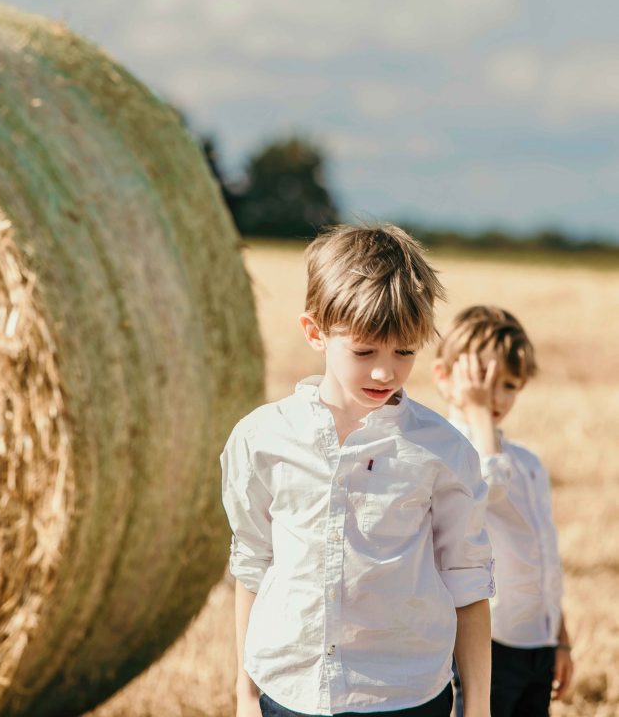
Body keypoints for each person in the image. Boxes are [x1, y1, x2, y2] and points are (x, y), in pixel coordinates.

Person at [221, 224, 494, 717]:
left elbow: (467, 582)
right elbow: (253, 565)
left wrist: (477, 705)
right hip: (289, 693)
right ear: (315, 332)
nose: (385, 372)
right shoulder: (262, 439)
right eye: (365, 351)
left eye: (405, 351)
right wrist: (245, 693)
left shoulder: (443, 453)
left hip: (405, 695)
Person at [433, 305, 573, 717]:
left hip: (537, 644)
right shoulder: (445, 453)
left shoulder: (527, 464)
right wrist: (477, 416)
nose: (495, 396)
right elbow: (486, 490)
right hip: (486, 644)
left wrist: (559, 638)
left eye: (508, 385)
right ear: (443, 376)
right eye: (483, 380)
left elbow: (544, 558)